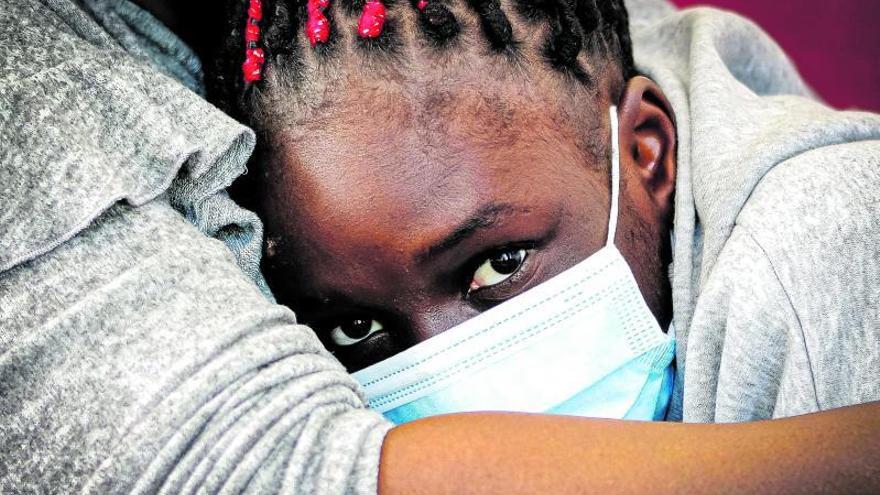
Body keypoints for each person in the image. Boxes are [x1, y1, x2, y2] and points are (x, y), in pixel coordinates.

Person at [1, 1, 877, 495]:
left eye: (497, 264)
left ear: (644, 150)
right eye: (354, 327)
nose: (449, 364)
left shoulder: (816, 260)